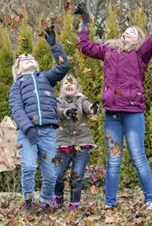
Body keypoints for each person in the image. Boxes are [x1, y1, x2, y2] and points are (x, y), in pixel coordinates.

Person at [74, 0, 152, 211]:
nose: (127, 32)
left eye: (133, 32)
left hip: (133, 114)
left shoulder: (141, 55)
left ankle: (150, 200)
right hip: (112, 116)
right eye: (127, 30)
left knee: (138, 157)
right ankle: (109, 204)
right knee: (113, 160)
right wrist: (85, 20)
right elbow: (85, 46)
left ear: (137, 40)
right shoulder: (108, 51)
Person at [9, 25, 70, 215]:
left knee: (51, 174)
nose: (28, 59)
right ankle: (28, 202)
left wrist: (54, 46)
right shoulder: (17, 86)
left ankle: (44, 204)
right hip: (28, 133)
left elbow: (63, 66)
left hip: (49, 132)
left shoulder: (45, 78)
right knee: (28, 166)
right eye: (23, 59)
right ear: (17, 69)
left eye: (31, 57)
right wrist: (28, 129)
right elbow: (17, 110)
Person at [51, 74, 98, 211]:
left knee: (76, 176)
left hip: (82, 144)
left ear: (77, 89)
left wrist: (92, 109)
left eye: (72, 84)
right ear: (61, 89)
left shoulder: (81, 100)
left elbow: (88, 107)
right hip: (62, 145)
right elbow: (56, 111)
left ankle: (74, 204)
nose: (69, 85)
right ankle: (58, 197)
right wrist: (66, 112)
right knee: (57, 174)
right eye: (66, 83)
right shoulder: (57, 101)